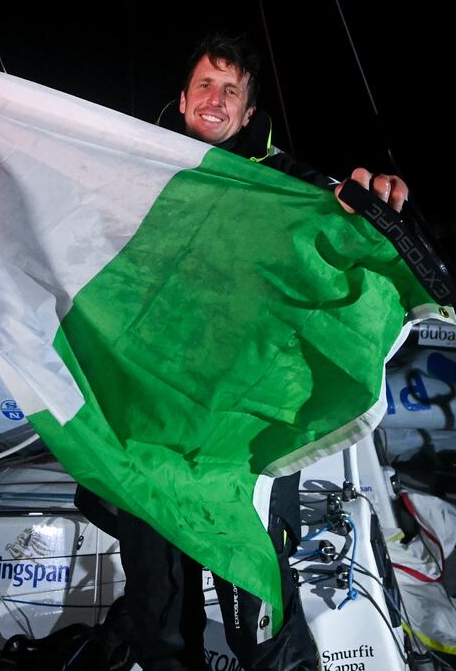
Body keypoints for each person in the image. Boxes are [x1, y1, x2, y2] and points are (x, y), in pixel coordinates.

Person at [112, 34, 413, 671]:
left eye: (231, 90)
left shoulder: (284, 183)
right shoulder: (137, 170)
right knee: (156, 601)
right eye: (204, 85)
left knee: (254, 596)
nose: (214, 99)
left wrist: (373, 205)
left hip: (242, 429)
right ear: (183, 99)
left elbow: (342, 210)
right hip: (153, 421)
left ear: (248, 112)